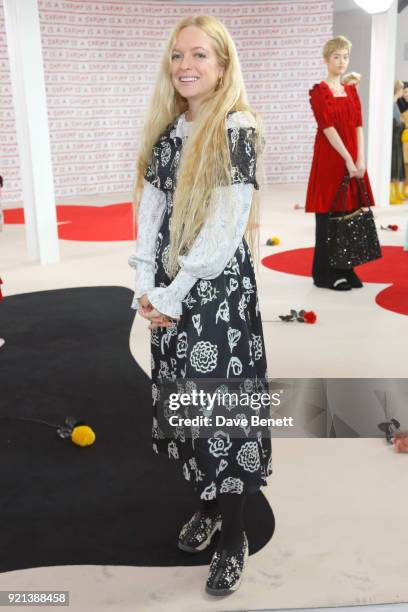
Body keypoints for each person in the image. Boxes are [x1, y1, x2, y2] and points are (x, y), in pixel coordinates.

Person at [128, 14, 272, 595]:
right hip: (168, 289)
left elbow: (223, 229)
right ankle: (208, 504)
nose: (185, 65)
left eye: (199, 56)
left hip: (211, 295)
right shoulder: (170, 132)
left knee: (221, 411)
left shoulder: (236, 128)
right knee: (188, 401)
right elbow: (152, 212)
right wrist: (143, 281)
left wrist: (173, 293)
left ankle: (233, 530)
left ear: (223, 64)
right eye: (177, 56)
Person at [305, 36, 375, 291]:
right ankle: (324, 273)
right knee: (329, 216)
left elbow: (358, 124)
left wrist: (361, 157)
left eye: (345, 56)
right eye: (336, 56)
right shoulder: (318, 91)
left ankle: (346, 267)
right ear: (326, 59)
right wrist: (347, 158)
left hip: (352, 158)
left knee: (350, 214)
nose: (342, 61)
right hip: (331, 159)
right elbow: (327, 128)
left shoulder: (351, 90)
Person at [390, 80, 406, 204]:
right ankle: (391, 194)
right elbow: (395, 124)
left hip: (397, 140)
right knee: (394, 166)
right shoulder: (393, 104)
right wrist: (403, 124)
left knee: (398, 166)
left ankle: (396, 192)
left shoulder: (394, 104)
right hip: (394, 140)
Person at [397, 81, 408, 199]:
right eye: (405, 91)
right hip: (404, 140)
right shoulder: (399, 105)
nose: (406, 94)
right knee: (405, 166)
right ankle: (403, 189)